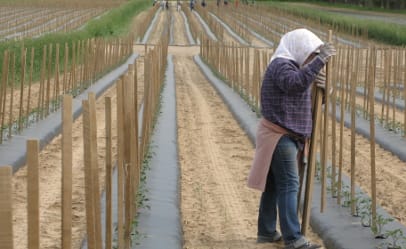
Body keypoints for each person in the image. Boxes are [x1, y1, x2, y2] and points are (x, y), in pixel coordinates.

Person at [247, 28, 336, 249]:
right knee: (289, 184)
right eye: (311, 54)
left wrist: (325, 92)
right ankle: (293, 238)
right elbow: (294, 84)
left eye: (316, 55)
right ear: (299, 48)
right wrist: (319, 63)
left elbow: (303, 98)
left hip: (286, 134)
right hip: (279, 135)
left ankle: (267, 232)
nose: (313, 59)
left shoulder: (296, 68)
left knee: (275, 185)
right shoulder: (281, 66)